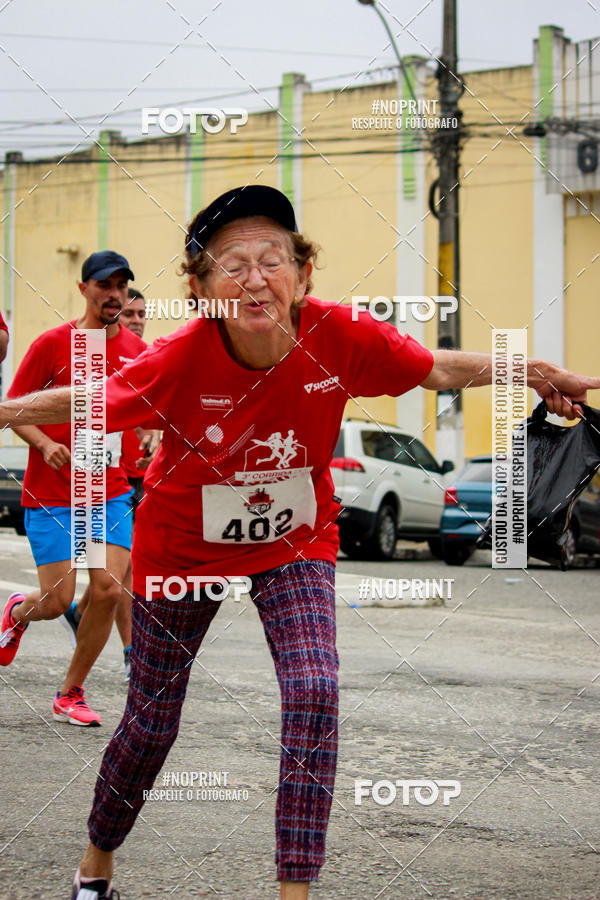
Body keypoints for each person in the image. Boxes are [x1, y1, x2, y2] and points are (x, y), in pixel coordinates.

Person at [0, 185, 597, 899]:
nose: (256, 278)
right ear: (201, 290)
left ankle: (296, 890)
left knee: (315, 690)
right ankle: (96, 863)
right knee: (153, 723)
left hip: (294, 541)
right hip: (182, 547)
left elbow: (437, 368)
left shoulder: (342, 336)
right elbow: (83, 400)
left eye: (273, 259)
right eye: (232, 265)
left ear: (304, 274)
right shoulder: (179, 358)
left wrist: (535, 372)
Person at [0, 250, 157, 727]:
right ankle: (16, 613)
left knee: (108, 588)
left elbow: (150, 411)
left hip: (108, 491)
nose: (115, 295)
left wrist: (151, 437)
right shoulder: (54, 344)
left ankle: (71, 691)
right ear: (84, 289)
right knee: (56, 602)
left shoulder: (137, 351)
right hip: (51, 493)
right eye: (105, 286)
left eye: (122, 287)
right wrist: (46, 443)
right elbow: (14, 409)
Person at [61, 286, 151, 680]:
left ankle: (81, 614)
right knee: (123, 571)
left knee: (118, 573)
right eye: (129, 314)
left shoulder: (146, 357)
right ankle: (133, 651)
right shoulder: (101, 356)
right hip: (108, 479)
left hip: (140, 476)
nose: (135, 321)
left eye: (141, 314)